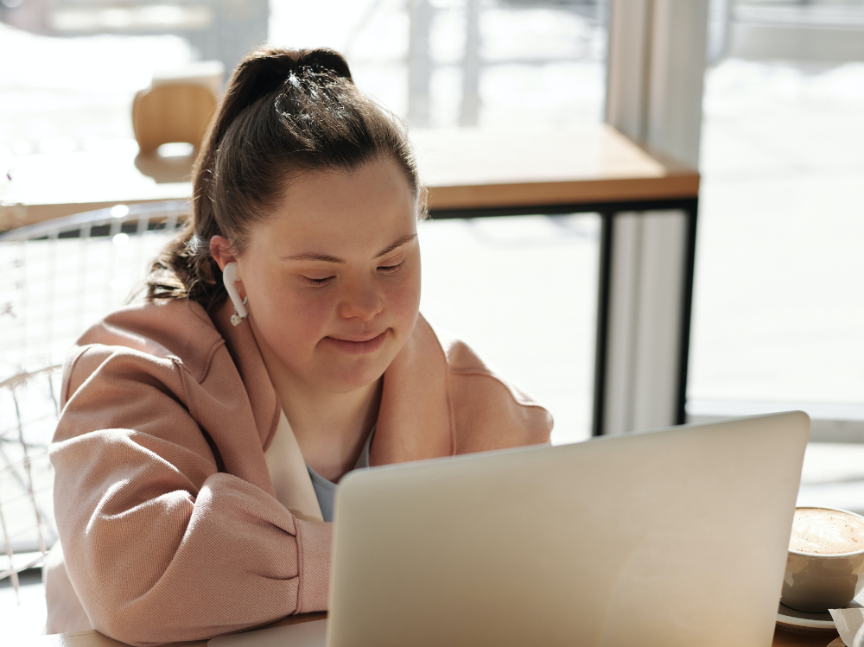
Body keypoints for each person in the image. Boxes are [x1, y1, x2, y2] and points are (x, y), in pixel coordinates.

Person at [44, 46, 552, 646]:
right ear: (231, 263)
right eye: (319, 275)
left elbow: (545, 578)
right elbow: (136, 579)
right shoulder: (136, 373)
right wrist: (405, 560)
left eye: (392, 263)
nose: (365, 305)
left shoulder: (483, 407)